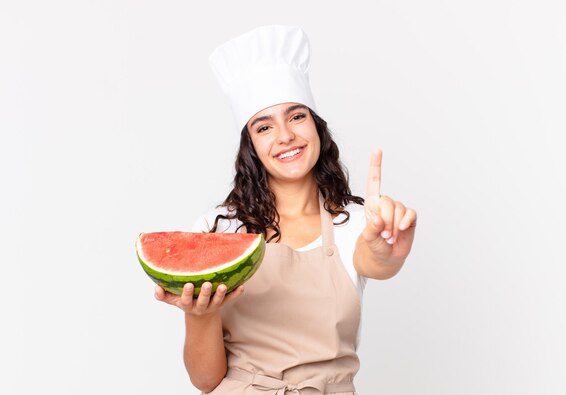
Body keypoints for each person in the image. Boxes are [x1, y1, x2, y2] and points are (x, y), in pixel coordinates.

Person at [154, 25, 417, 394]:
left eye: (296, 116)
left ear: (316, 126)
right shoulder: (219, 230)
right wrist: (201, 316)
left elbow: (377, 261)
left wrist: (388, 249)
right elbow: (206, 380)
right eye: (264, 127)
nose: (285, 136)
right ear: (251, 147)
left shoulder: (356, 224)